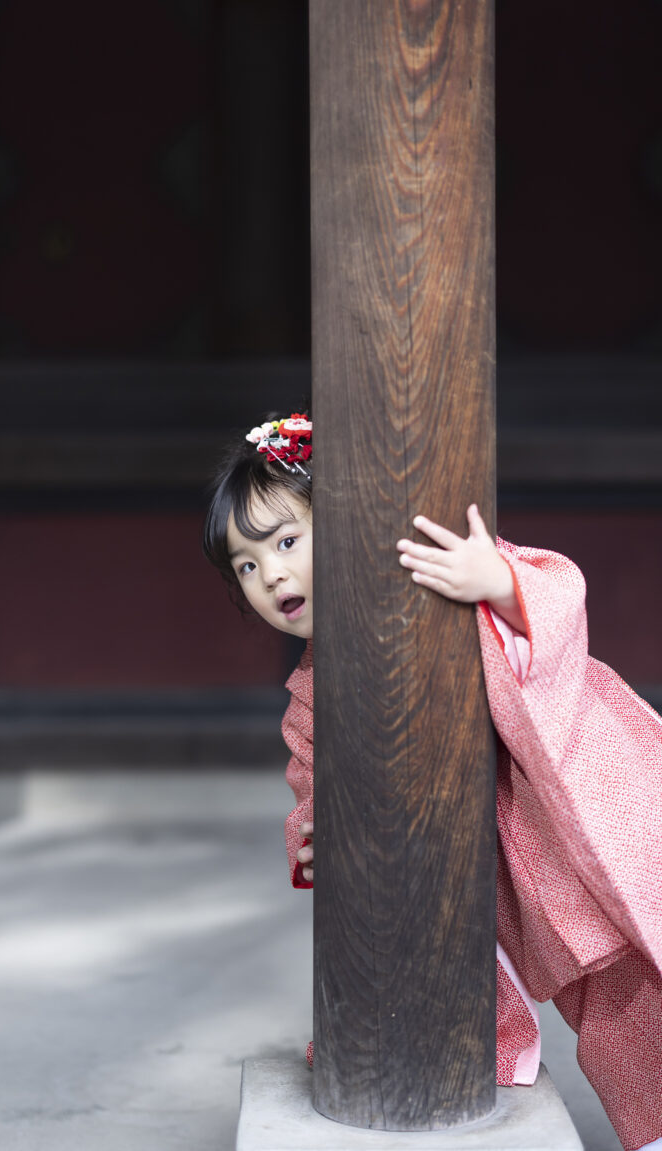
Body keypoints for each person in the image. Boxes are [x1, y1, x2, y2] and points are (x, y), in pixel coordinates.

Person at [203, 413, 662, 1151]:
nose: (271, 576)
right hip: (506, 867)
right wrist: (320, 834)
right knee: (607, 1008)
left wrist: (499, 581)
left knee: (640, 971)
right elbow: (312, 782)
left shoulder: (432, 571)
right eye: (246, 566)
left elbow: (556, 596)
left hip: (574, 808)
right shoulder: (312, 693)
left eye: (286, 541)